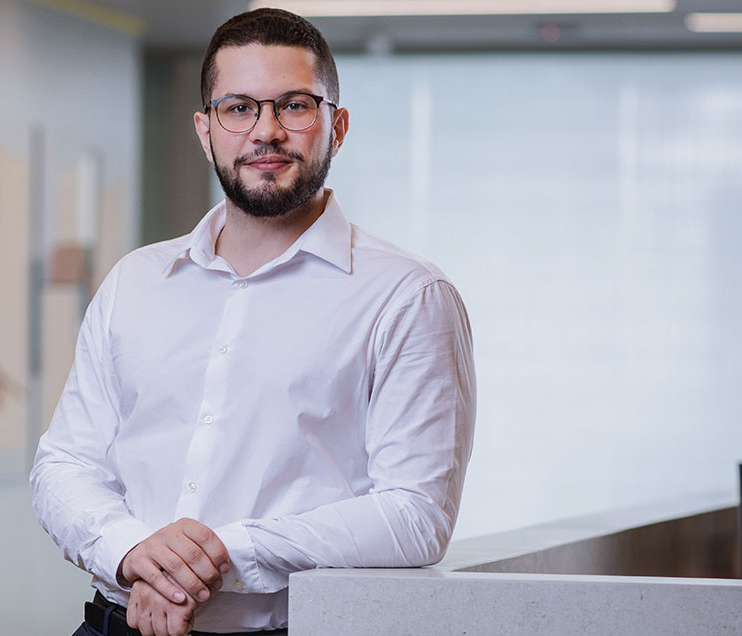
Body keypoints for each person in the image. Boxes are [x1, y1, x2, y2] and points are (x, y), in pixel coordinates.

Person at [31, 8, 476, 636]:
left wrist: (227, 552)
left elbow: (415, 515)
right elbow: (64, 463)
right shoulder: (135, 281)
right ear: (205, 130)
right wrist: (131, 551)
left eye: (294, 105)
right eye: (238, 108)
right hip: (113, 625)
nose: (265, 131)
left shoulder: (408, 296)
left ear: (337, 126)